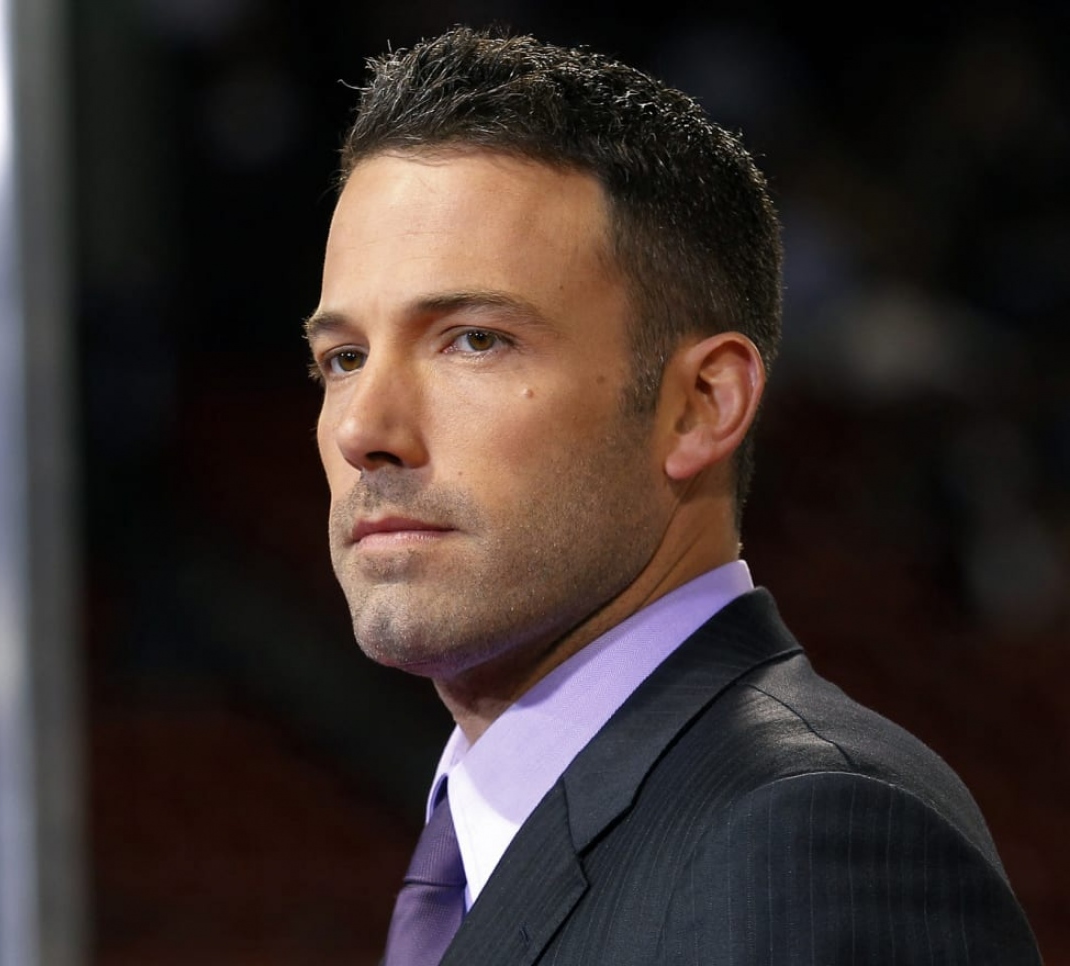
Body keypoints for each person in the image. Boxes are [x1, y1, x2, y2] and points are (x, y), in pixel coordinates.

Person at [303, 25, 1042, 966]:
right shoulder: (513, 838)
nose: (363, 428)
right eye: (343, 357)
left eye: (474, 340)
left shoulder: (805, 839)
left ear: (700, 405)